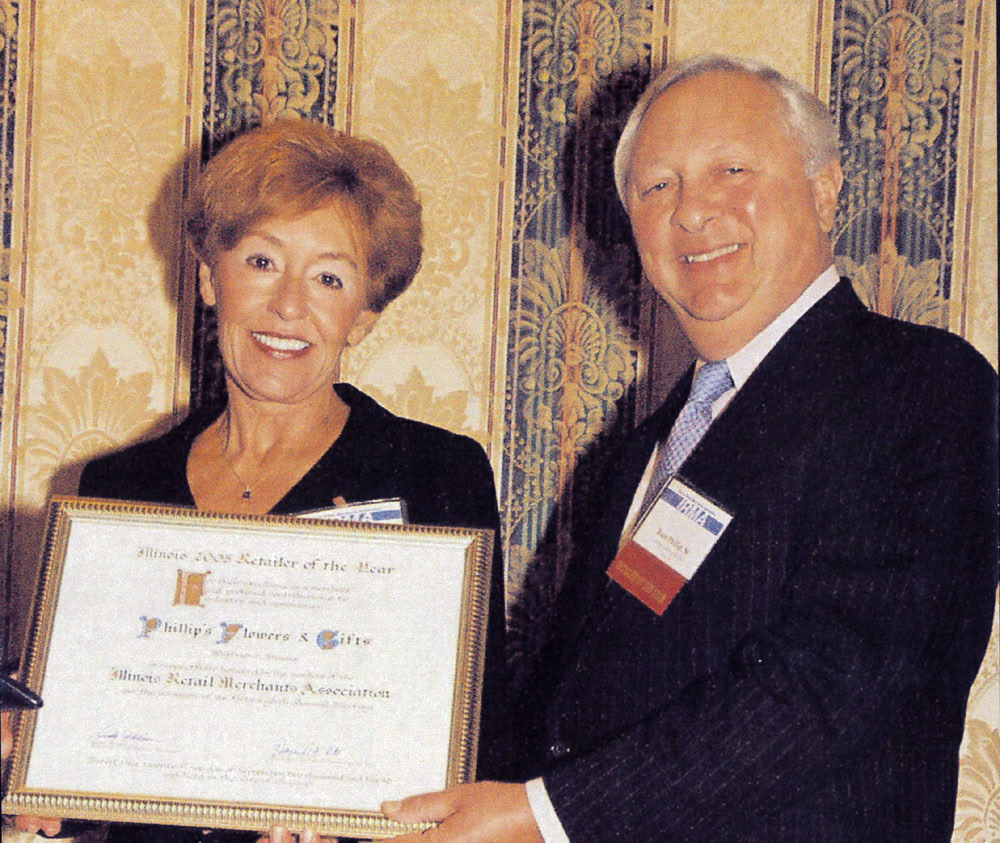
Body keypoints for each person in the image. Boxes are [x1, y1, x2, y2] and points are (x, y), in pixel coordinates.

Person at [376, 54, 999, 841]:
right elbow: (572, 710)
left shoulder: (922, 385)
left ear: (826, 187)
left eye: (731, 169)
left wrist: (541, 812)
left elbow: (839, 678)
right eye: (656, 186)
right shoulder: (647, 446)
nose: (693, 212)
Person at [9, 118, 509, 842]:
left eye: (329, 277)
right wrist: (46, 779)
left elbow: (479, 742)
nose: (289, 305)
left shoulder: (437, 473)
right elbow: (93, 743)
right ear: (212, 277)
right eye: (263, 262)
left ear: (365, 314)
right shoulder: (117, 489)